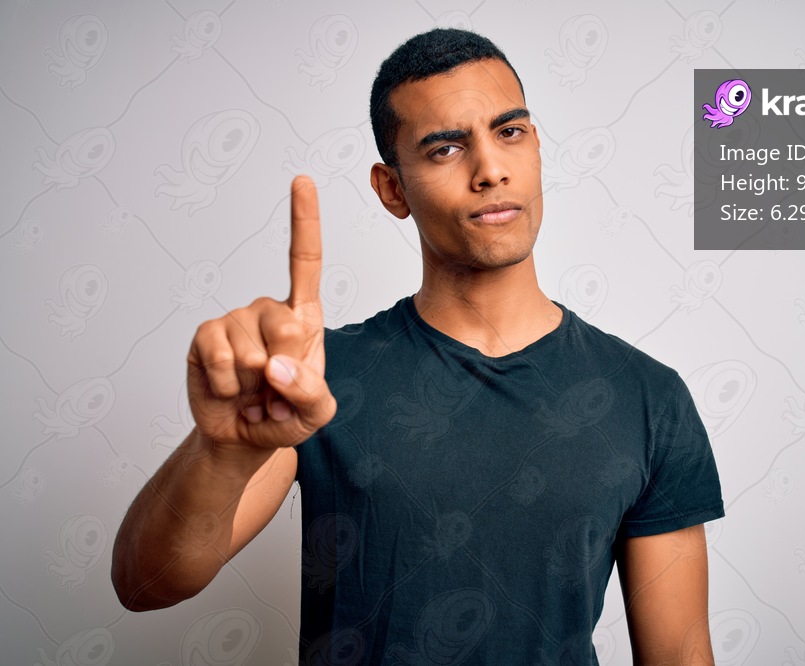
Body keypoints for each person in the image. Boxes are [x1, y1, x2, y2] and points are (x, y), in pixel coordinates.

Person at [112, 28, 724, 665]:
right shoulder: (318, 379)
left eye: (509, 132)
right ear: (392, 189)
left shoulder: (649, 397)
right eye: (446, 149)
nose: (490, 169)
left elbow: (680, 654)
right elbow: (145, 584)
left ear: (536, 145)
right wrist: (221, 450)